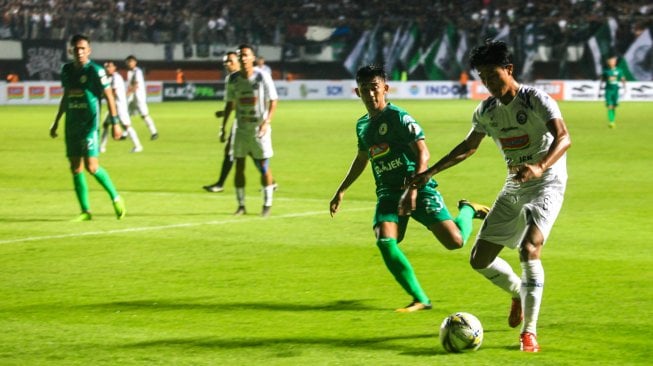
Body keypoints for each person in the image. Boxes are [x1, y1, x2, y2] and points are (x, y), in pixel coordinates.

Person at [407, 41, 571, 352]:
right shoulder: (487, 111)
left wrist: (539, 166)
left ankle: (529, 333)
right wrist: (431, 172)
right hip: (514, 186)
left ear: (509, 70)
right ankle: (516, 293)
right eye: (483, 77)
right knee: (479, 259)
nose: (489, 83)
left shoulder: (535, 100)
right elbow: (469, 147)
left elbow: (564, 137)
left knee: (529, 248)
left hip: (547, 182)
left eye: (493, 75)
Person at [329, 65, 489, 313]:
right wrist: (342, 190)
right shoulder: (362, 125)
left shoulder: (398, 117)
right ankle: (420, 299)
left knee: (455, 242)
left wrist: (413, 190)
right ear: (357, 92)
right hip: (387, 193)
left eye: (375, 88)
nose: (371, 94)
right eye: (364, 90)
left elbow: (423, 152)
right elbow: (362, 158)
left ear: (385, 88)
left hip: (417, 188)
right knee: (385, 240)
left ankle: (468, 209)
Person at [49, 34, 126, 221]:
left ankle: (116, 197)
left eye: (83, 48)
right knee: (75, 168)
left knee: (92, 167)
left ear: (89, 51)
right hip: (72, 125)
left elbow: (109, 96)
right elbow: (66, 96)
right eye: (76, 49)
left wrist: (115, 123)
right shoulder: (66, 70)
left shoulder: (95, 71)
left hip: (89, 125)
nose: (80, 52)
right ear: (71, 51)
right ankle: (85, 211)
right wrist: (57, 121)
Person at [221, 44, 278, 216]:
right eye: (240, 56)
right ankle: (241, 205)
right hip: (241, 128)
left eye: (246, 55)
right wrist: (223, 127)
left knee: (263, 166)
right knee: (239, 166)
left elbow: (273, 100)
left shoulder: (263, 77)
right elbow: (230, 104)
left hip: (258, 129)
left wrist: (266, 121)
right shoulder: (232, 80)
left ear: (253, 57)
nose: (243, 58)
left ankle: (267, 205)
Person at [203, 51, 240, 193]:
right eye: (225, 62)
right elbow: (232, 104)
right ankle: (220, 184)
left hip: (252, 121)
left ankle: (220, 184)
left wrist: (223, 124)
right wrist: (223, 119)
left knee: (255, 154)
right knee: (232, 150)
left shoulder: (250, 76)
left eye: (230, 61)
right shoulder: (231, 79)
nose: (227, 64)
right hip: (240, 120)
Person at [100, 61, 143, 153]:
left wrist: (101, 96)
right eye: (106, 67)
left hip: (119, 107)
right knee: (106, 124)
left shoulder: (116, 77)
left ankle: (138, 146)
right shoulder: (108, 78)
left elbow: (113, 93)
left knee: (126, 126)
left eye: (110, 66)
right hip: (113, 107)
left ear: (114, 68)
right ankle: (102, 147)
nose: (107, 69)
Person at [125, 55, 159, 140]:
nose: (129, 63)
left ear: (135, 62)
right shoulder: (129, 72)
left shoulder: (138, 71)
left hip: (139, 97)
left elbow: (136, 84)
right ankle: (125, 133)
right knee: (126, 114)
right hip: (132, 98)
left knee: (144, 115)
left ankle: (154, 132)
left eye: (131, 62)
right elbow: (130, 84)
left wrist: (128, 93)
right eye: (128, 62)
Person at [599, 55, 627, 129]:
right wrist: (599, 89)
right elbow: (602, 80)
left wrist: (625, 88)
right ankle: (611, 121)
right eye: (611, 61)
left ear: (615, 62)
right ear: (609, 63)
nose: (612, 62)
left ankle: (613, 120)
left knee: (614, 106)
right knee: (609, 106)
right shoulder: (606, 71)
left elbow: (623, 79)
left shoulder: (619, 70)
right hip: (608, 90)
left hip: (616, 90)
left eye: (613, 61)